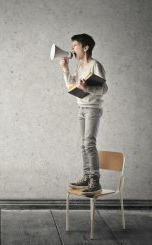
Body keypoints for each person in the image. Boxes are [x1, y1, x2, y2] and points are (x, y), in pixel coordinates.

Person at [60, 33, 108, 195]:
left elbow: (104, 89)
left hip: (93, 109)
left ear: (85, 47)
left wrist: (87, 89)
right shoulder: (79, 67)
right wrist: (66, 70)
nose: (72, 49)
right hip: (81, 108)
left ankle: (95, 180)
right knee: (83, 144)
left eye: (75, 46)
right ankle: (87, 177)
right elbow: (71, 86)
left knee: (89, 143)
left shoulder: (95, 65)